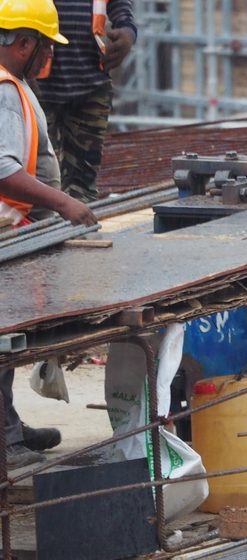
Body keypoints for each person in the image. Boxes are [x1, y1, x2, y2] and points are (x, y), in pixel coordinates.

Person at [1, 0, 98, 469]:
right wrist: (64, 204)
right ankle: (7, 445)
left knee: (8, 336)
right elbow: (2, 170)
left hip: (12, 229)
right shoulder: (3, 89)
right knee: (2, 338)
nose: (48, 58)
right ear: (24, 43)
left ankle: (10, 427)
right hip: (4, 231)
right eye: (45, 47)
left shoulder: (13, 83)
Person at [37, 0, 136, 202]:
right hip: (37, 85)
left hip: (91, 80)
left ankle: (78, 231)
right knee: (39, 181)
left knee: (82, 189)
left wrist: (127, 30)